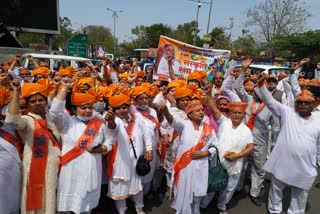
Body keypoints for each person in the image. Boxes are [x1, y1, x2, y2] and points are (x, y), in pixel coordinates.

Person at [255, 74, 320, 214]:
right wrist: (261, 85)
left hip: (306, 164)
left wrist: (318, 162)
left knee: (300, 194)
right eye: (299, 102)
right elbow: (270, 101)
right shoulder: (287, 112)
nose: (302, 104)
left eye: (307, 102)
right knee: (276, 189)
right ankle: (274, 210)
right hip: (283, 162)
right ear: (295, 103)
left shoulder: (319, 119)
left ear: (314, 104)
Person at [49, 79, 112, 214]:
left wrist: (102, 149)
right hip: (71, 170)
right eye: (83, 108)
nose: (87, 110)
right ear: (74, 109)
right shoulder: (67, 122)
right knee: (67, 207)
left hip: (91, 171)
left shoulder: (99, 123)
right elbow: (54, 111)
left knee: (86, 207)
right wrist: (64, 88)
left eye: (90, 107)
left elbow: (110, 141)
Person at [6, 79, 61, 214]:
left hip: (53, 166)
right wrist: (16, 92)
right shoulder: (27, 120)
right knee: (35, 194)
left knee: (50, 192)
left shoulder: (51, 117)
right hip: (34, 164)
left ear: (46, 101)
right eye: (33, 101)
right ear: (28, 104)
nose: (37, 103)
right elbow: (12, 120)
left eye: (40, 100)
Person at [161, 100, 218, 214]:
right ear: (190, 114)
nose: (201, 112)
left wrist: (206, 153)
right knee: (183, 192)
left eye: (202, 110)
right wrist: (166, 112)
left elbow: (215, 147)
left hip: (201, 168)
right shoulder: (184, 125)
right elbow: (173, 121)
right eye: (197, 111)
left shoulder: (209, 129)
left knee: (196, 195)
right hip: (184, 168)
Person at [203, 98, 254, 214]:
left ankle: (221, 206)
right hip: (218, 164)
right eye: (234, 112)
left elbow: (250, 147)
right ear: (229, 113)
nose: (236, 115)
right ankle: (202, 205)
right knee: (211, 186)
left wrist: (238, 155)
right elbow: (214, 109)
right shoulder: (224, 122)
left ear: (244, 115)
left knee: (229, 189)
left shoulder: (246, 130)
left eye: (239, 113)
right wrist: (208, 93)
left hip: (234, 165)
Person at [106, 89, 152, 214]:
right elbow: (112, 129)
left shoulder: (136, 119)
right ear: (113, 110)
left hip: (136, 161)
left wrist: (149, 149)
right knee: (120, 187)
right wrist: (110, 121)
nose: (122, 111)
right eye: (118, 108)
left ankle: (139, 207)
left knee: (137, 186)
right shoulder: (114, 121)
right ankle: (122, 210)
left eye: (125, 107)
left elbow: (147, 133)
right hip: (120, 162)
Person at [0, 86, 22, 214]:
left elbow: (13, 116)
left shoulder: (7, 125)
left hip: (13, 175)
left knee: (13, 205)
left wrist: (15, 93)